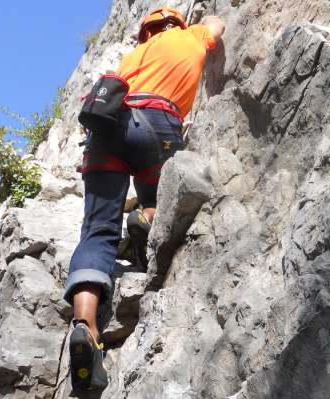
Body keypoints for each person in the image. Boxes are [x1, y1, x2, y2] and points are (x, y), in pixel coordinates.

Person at [62, 7, 226, 395]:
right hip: (159, 124)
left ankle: (85, 326)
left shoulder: (132, 56)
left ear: (145, 32)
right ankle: (147, 217)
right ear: (176, 26)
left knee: (97, 231)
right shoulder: (190, 36)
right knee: (159, 194)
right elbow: (217, 28)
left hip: (108, 132)